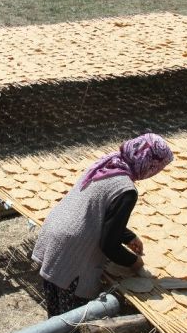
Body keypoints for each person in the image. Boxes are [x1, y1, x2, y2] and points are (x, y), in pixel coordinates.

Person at [32, 133, 174, 317]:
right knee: (71, 323)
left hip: (55, 233)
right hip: (73, 250)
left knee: (55, 315)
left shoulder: (108, 164)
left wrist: (129, 236)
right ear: (149, 164)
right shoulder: (126, 190)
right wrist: (135, 263)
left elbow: (99, 212)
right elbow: (108, 245)